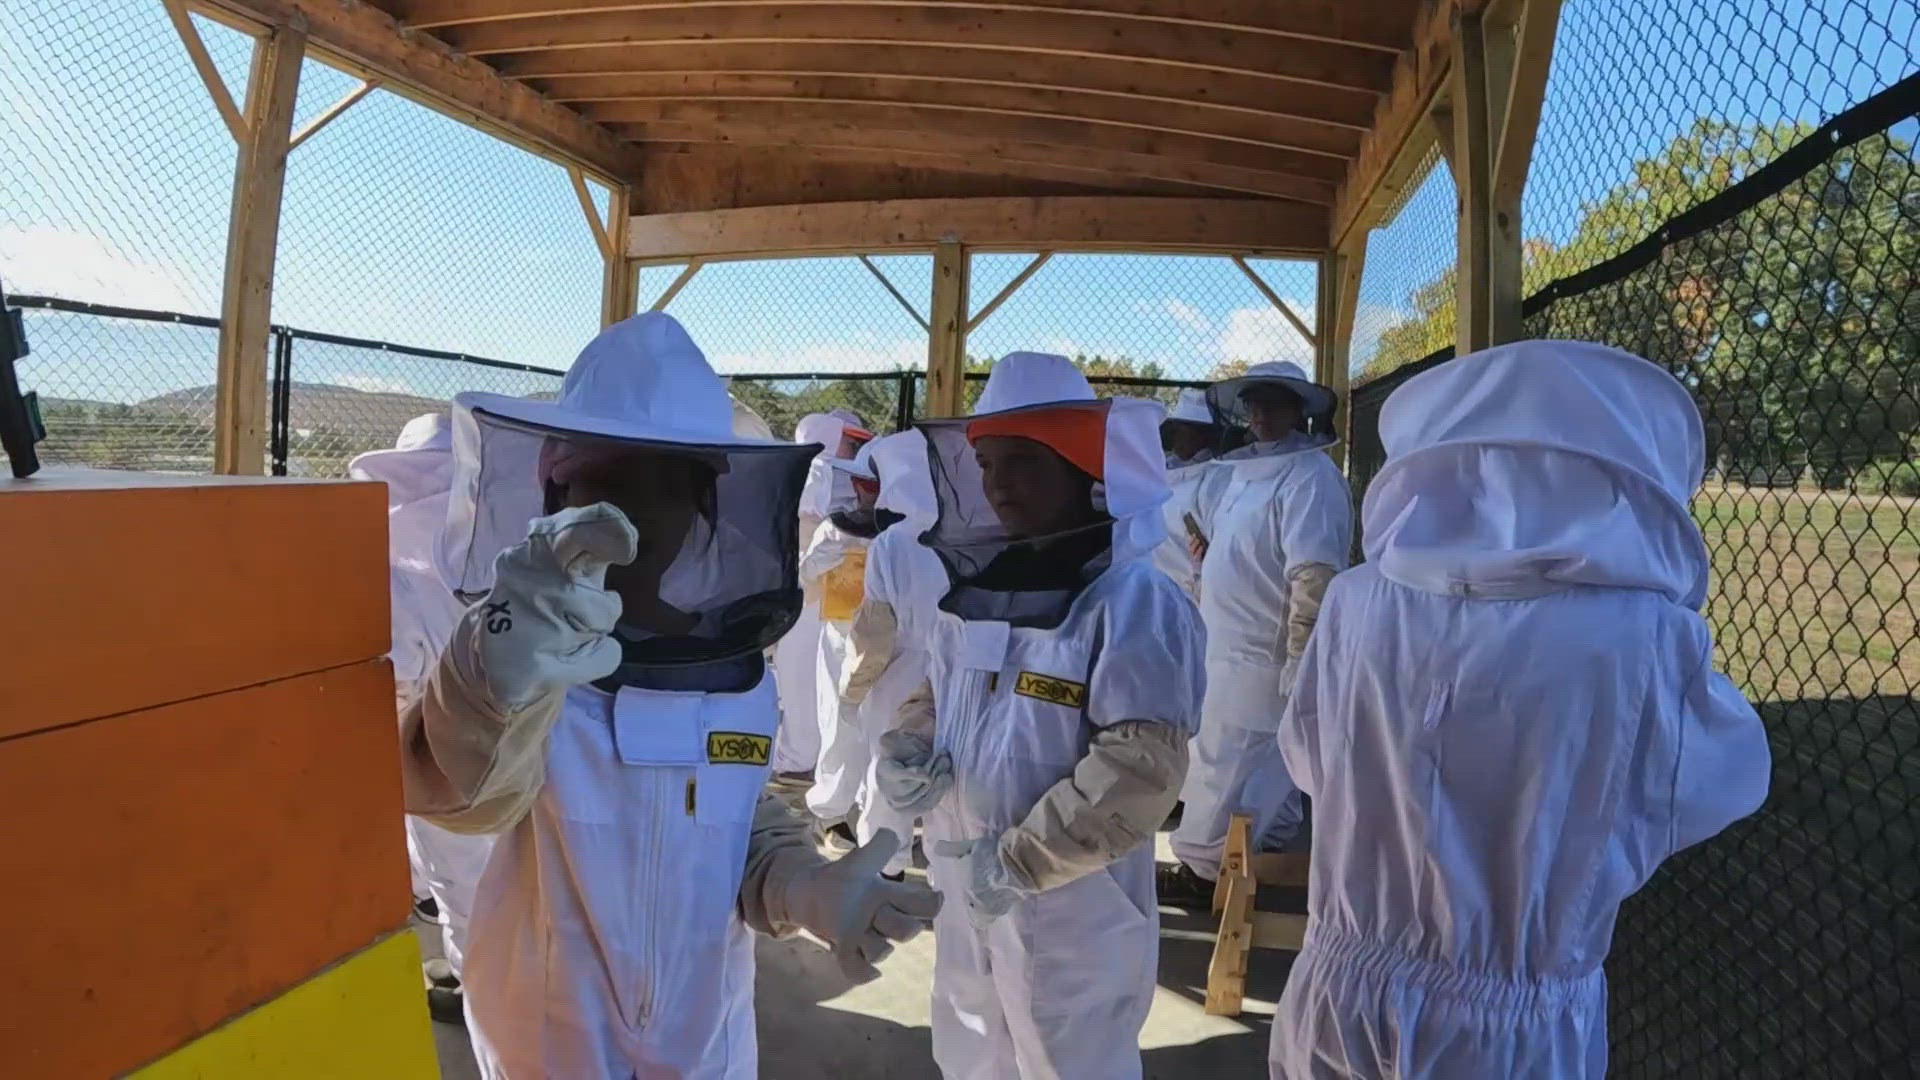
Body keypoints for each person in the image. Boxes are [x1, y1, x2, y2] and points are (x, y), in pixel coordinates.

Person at [398, 313, 939, 1078]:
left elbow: (734, 822)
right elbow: (463, 793)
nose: (638, 516)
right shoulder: (510, 647)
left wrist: (803, 886)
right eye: (610, 484)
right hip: (549, 1038)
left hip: (707, 1037)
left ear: (706, 506)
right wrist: (493, 667)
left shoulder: (735, 666)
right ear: (558, 489)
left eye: (669, 486)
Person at [1269, 341, 1771, 1078]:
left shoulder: (1353, 602)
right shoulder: (1648, 640)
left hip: (1336, 991)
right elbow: (1704, 793)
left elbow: (1309, 759)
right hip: (1512, 1028)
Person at [880, 373, 1207, 1079]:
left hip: (1071, 903)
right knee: (968, 1040)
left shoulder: (1134, 598)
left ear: (1083, 468)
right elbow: (935, 696)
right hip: (965, 877)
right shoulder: (969, 591)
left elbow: (1139, 765)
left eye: (1024, 460)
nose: (999, 483)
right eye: (988, 463)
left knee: (1070, 1057)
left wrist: (1028, 859)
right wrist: (908, 748)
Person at [1162, 360, 1351, 905]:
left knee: (1231, 764)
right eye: (1253, 405)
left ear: (1300, 410)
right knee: (1244, 765)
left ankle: (1202, 874)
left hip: (1264, 657)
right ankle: (1244, 858)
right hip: (1226, 646)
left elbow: (1313, 574)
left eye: (1273, 403)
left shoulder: (1311, 479)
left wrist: (1302, 655)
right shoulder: (1245, 476)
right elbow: (1227, 547)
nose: (1261, 415)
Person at [350, 412, 495, 1024]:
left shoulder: (391, 578)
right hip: (514, 742)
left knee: (463, 877)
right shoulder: (497, 555)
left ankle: (476, 991)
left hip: (436, 754)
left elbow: (394, 675)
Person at [834, 430, 946, 878]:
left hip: (901, 674)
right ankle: (947, 871)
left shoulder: (894, 543)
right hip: (962, 674)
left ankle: (886, 867)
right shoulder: (975, 535)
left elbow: (875, 635)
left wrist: (851, 692)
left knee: (889, 775)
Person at [771, 410, 873, 782]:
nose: (856, 448)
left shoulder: (823, 472)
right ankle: (802, 758)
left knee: (819, 676)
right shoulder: (817, 471)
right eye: (851, 441)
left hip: (831, 585)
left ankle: (805, 758)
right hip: (813, 583)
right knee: (806, 674)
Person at [799, 441, 886, 838]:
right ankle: (832, 812)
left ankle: (875, 814)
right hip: (839, 634)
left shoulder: (903, 532)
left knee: (880, 725)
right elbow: (805, 578)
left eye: (869, 483)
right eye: (860, 482)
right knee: (837, 722)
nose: (861, 490)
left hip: (887, 640)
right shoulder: (833, 528)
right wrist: (821, 560)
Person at [1154, 387, 1225, 601]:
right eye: (1179, 428)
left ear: (1208, 434)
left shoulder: (1219, 478)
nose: (1181, 436)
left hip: (1193, 592)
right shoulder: (1162, 469)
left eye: (1191, 429)